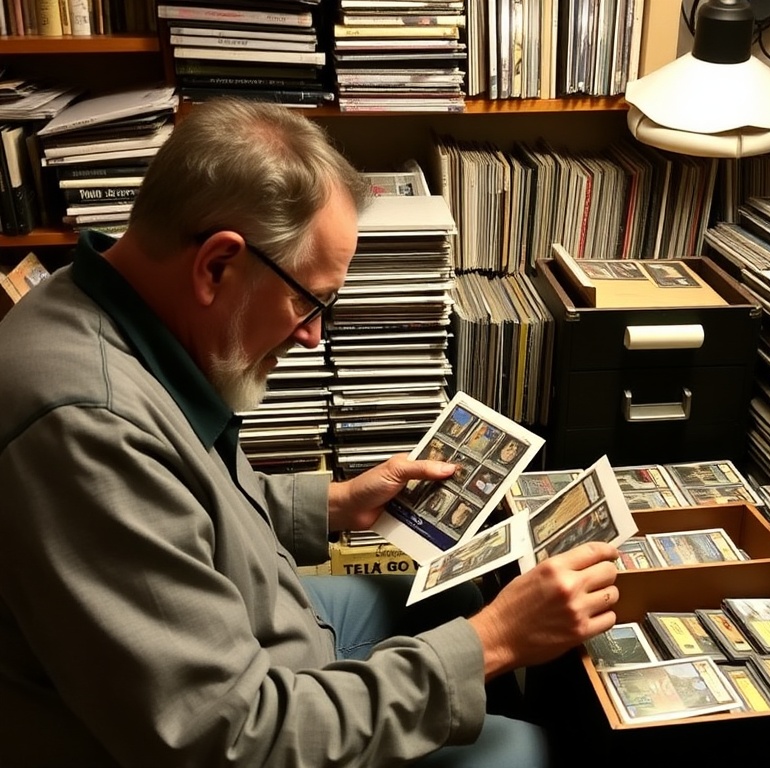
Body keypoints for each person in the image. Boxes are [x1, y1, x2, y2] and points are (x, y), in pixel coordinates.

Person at [0, 98, 621, 767]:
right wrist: (494, 643)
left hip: (258, 622)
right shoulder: (86, 428)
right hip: (246, 722)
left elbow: (185, 506)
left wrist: (337, 503)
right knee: (525, 747)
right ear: (216, 265)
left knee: (454, 598)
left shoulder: (101, 299)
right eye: (308, 300)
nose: (312, 335)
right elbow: (233, 740)